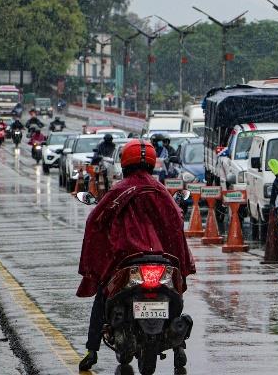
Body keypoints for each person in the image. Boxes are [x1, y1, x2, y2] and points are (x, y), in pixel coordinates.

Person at [76, 139, 195, 373]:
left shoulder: (120, 190)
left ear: (124, 163)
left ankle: (92, 351)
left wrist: (97, 263)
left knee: (102, 295)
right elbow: (176, 224)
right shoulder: (160, 190)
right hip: (162, 260)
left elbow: (94, 223)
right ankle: (178, 344)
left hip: (127, 261)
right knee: (175, 295)